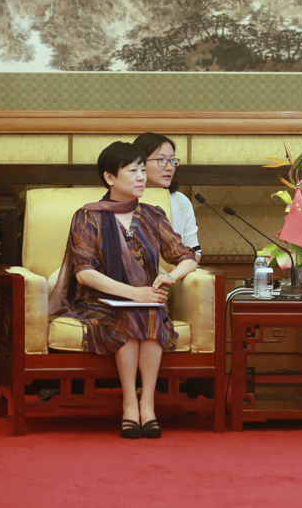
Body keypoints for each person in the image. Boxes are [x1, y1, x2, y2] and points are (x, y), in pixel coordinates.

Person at [50, 141, 198, 439]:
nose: (141, 177)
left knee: (150, 312)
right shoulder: (88, 216)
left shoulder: (153, 215)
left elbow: (187, 257)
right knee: (134, 312)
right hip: (98, 301)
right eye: (132, 171)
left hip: (147, 301)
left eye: (143, 169)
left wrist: (172, 277)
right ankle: (130, 403)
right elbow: (85, 273)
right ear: (110, 177)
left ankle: (148, 404)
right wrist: (134, 294)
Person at [133, 132, 201, 263]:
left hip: (175, 273)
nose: (169, 167)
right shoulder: (125, 198)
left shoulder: (181, 201)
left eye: (172, 160)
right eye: (161, 160)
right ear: (139, 163)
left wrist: (174, 273)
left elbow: (195, 252)